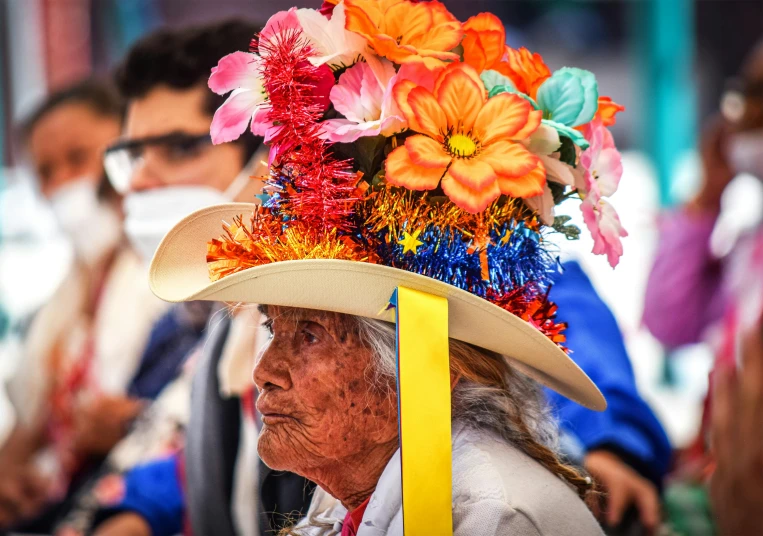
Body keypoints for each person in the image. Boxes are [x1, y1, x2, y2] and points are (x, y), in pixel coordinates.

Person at [145, 2, 639, 533]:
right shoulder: (351, 503)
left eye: (309, 335)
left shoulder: (491, 518)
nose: (265, 370)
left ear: (428, 366)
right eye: (273, 327)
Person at [50, 20, 313, 536]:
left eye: (177, 149)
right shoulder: (229, 324)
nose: (142, 181)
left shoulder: (337, 332)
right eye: (133, 156)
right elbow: (190, 459)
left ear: (270, 158)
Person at [0, 79, 168, 531]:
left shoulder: (169, 274)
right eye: (46, 172)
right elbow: (30, 417)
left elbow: (188, 413)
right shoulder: (65, 296)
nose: (62, 185)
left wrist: (135, 426)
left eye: (77, 159)